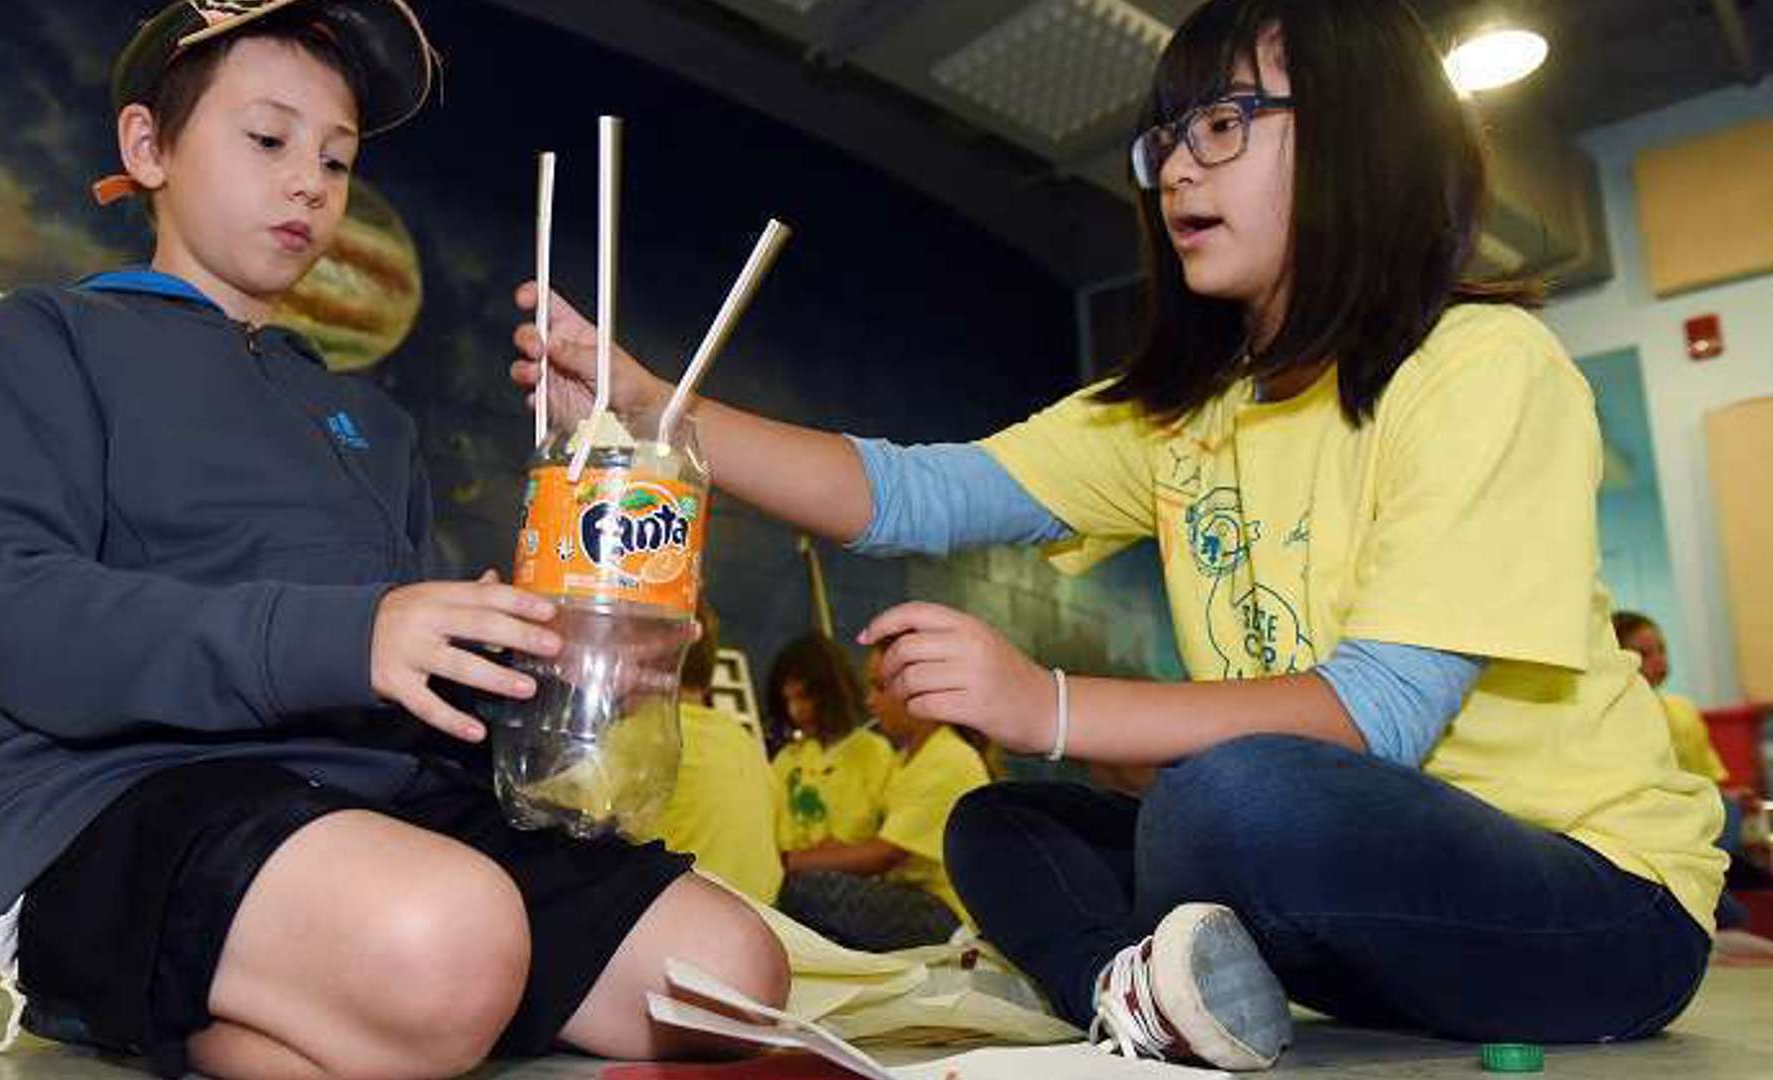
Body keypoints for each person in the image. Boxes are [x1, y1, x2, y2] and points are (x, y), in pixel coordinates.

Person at [512, 0, 1724, 1068]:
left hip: (1593, 907)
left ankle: (1172, 974)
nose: (1177, 171)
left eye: (1225, 123)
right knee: (1004, 823)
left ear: (1362, 134)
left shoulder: (1477, 365)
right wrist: (652, 405)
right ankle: (1145, 1000)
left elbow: (1384, 714)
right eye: (1167, 137)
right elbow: (914, 493)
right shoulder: (1182, 414)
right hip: (1350, 907)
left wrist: (1047, 704)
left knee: (1239, 798)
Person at [0, 4, 784, 1077]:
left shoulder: (371, 421)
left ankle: (373, 1008)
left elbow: (411, 678)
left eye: (336, 159)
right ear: (147, 147)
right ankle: (175, 1004)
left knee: (727, 980)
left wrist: (550, 644)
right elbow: (19, 614)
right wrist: (350, 634)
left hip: (375, 801)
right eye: (268, 139)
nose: (310, 184)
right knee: (449, 940)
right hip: (126, 801)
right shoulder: (51, 336)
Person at [775, 641, 990, 951]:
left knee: (800, 889)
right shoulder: (907, 759)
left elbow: (882, 855)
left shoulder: (946, 758)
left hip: (943, 914)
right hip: (910, 898)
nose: (870, 701)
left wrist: (786, 862)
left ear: (920, 691)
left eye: (879, 687)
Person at [1615, 611, 1773, 965]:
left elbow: (1707, 782)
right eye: (1644, 653)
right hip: (1658, 825)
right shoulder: (1616, 719)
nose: (1658, 661)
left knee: (1732, 816)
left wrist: (1733, 798)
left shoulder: (1682, 711)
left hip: (1699, 820)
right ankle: (1711, 916)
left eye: (1661, 650)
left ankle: (1719, 910)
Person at [646, 603, 786, 905]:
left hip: (688, 923)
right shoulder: (743, 739)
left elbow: (558, 811)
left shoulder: (645, 734)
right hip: (768, 919)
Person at [765, 635, 896, 859]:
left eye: (803, 697)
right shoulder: (786, 760)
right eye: (788, 701)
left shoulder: (874, 752)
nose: (796, 710)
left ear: (831, 692)